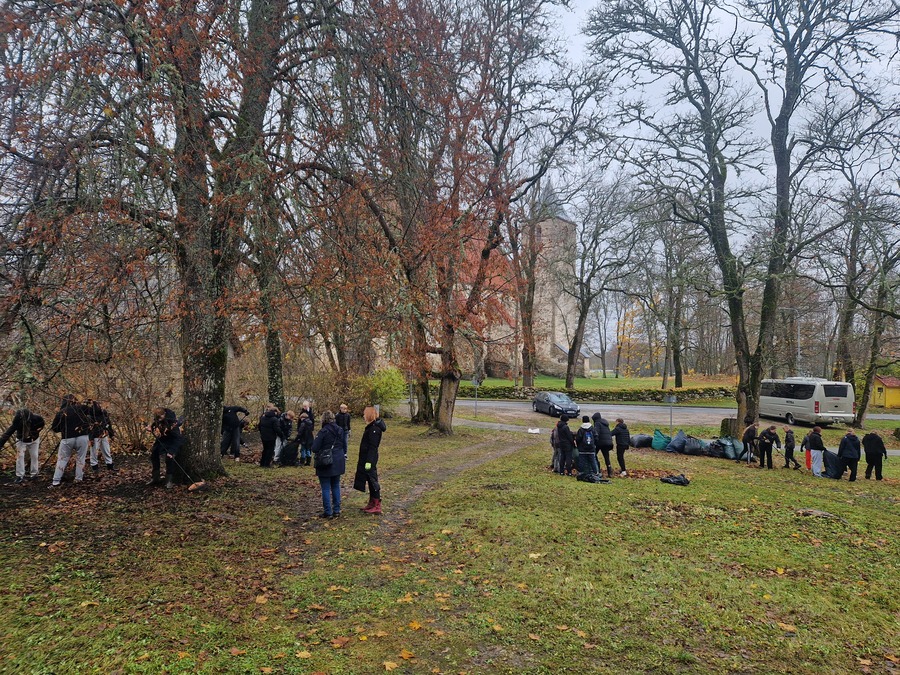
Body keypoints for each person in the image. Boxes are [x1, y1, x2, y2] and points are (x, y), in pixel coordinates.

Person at [50, 394, 91, 488]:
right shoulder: (82, 408)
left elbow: (55, 428)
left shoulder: (61, 412)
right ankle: (78, 479)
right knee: (81, 458)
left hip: (67, 438)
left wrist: (63, 428)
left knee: (62, 459)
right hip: (82, 437)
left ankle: (56, 481)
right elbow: (93, 413)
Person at [311, 410, 347, 518]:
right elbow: (344, 445)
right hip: (338, 459)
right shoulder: (340, 430)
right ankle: (337, 510)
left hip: (326, 461)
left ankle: (328, 511)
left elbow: (315, 448)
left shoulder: (323, 432)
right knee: (336, 485)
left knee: (325, 487)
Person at [0, 407, 45, 483]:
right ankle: (20, 476)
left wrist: (34, 433)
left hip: (34, 440)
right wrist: (0, 444)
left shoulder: (37, 419)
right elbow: (8, 433)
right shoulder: (17, 421)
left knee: (34, 456)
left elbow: (41, 426)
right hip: (21, 441)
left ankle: (34, 474)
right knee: (20, 456)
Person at [355, 406, 387, 514]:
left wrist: (369, 461)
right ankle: (372, 502)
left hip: (370, 459)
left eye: (365, 414)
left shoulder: (374, 429)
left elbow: (373, 447)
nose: (363, 416)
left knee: (373, 480)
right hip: (366, 457)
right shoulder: (371, 427)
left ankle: (377, 504)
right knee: (369, 480)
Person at [146, 407, 184, 488]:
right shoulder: (158, 420)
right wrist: (151, 429)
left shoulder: (172, 422)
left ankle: (169, 480)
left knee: (169, 458)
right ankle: (155, 478)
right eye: (157, 418)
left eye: (160, 417)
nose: (159, 419)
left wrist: (172, 451)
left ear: (164, 414)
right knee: (154, 455)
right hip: (162, 440)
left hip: (172, 441)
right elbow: (157, 429)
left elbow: (178, 439)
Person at [86, 399, 116, 474]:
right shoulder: (90, 415)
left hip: (103, 434)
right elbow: (89, 428)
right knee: (94, 452)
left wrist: (111, 434)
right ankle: (95, 468)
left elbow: (108, 423)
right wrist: (91, 438)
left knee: (106, 450)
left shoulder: (104, 413)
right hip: (95, 436)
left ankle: (110, 466)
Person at [575, 415, 600, 479]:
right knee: (593, 461)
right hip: (591, 448)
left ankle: (581, 472)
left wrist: (579, 446)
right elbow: (596, 438)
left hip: (582, 449)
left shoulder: (581, 429)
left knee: (581, 461)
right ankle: (596, 473)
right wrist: (594, 445)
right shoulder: (592, 429)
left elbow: (578, 439)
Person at [591, 412, 614, 479]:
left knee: (594, 455)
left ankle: (597, 469)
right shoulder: (605, 423)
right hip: (607, 442)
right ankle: (609, 471)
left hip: (600, 443)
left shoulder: (597, 423)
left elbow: (596, 433)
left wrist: (594, 440)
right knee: (606, 457)